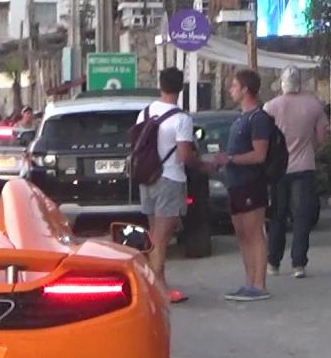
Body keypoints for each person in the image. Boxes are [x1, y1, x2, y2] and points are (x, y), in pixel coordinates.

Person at [136, 68, 200, 304]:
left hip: (147, 176)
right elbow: (184, 155)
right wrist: (201, 165)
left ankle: (157, 282)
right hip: (171, 178)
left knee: (154, 236)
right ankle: (157, 287)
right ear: (180, 88)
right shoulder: (181, 119)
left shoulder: (144, 113)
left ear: (160, 85)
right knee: (162, 238)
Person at [212, 69, 272, 301]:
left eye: (235, 85)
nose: (231, 89)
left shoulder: (258, 118)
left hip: (251, 182)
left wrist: (231, 159)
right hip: (235, 182)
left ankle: (260, 284)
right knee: (241, 233)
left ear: (246, 89)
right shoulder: (240, 118)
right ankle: (249, 281)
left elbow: (260, 154)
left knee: (254, 232)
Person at [264, 67, 329, 278]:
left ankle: (273, 262)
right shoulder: (314, 105)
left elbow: (263, 139)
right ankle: (298, 264)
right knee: (302, 217)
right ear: (300, 82)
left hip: (279, 169)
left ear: (282, 83)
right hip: (304, 167)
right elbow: (321, 137)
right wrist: (310, 148)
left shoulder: (271, 107)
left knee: (277, 216)